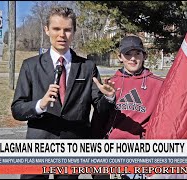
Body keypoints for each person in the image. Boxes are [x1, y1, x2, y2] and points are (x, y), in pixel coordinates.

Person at [11, 6, 115, 179]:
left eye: (67, 30)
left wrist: (109, 97)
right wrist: (40, 104)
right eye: (56, 29)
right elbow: (17, 109)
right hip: (38, 144)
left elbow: (100, 108)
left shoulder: (87, 67)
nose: (62, 35)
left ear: (74, 31)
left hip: (72, 145)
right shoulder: (30, 66)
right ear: (46, 30)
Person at [91, 35, 164, 179]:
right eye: (127, 54)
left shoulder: (159, 84)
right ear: (120, 57)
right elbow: (98, 120)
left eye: (137, 53)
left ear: (144, 55)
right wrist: (108, 98)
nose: (132, 58)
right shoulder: (110, 83)